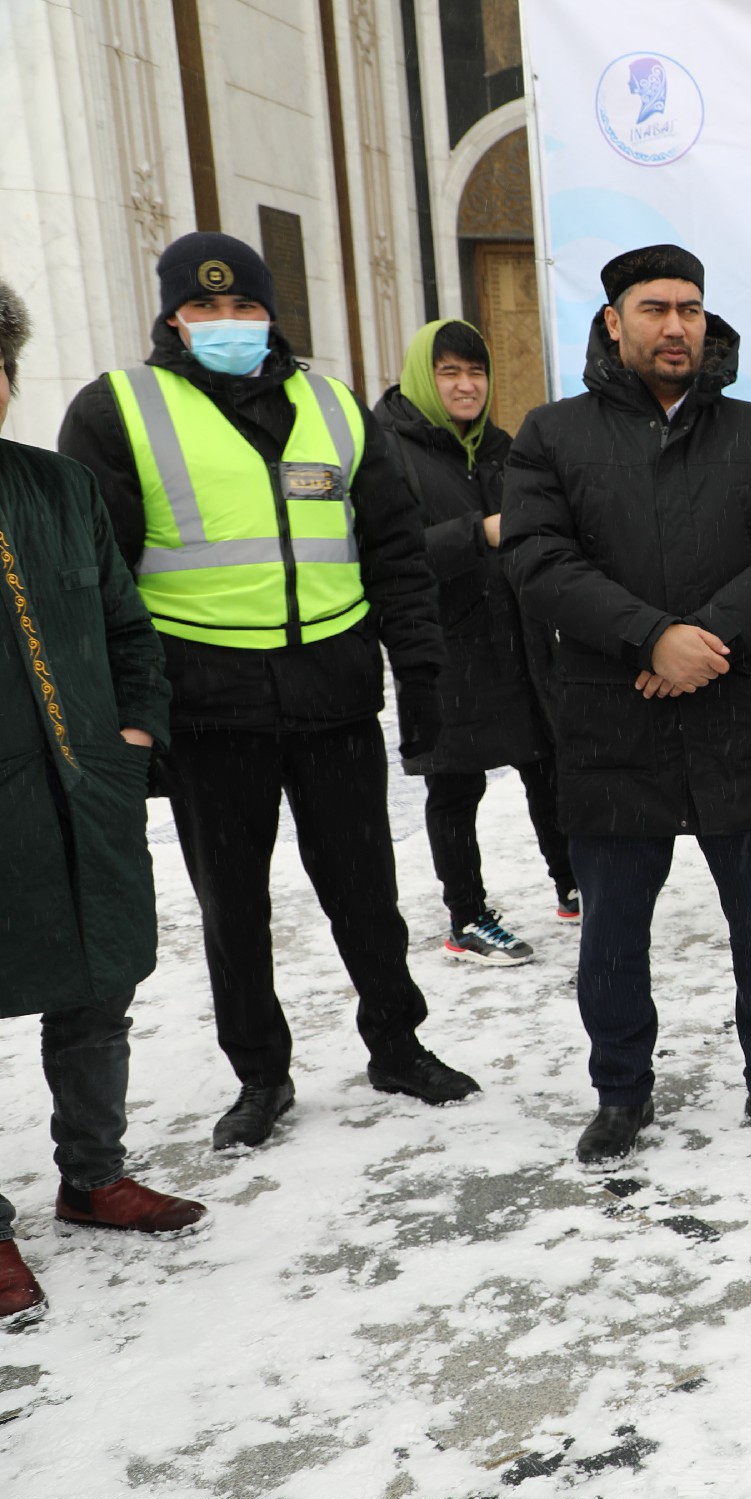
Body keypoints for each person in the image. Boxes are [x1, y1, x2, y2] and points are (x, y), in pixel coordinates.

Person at [56, 232, 475, 1152]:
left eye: (244, 306)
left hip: (333, 696)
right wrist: (124, 717)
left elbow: (396, 555)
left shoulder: (333, 406)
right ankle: (260, 1074)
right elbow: (97, 584)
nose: (227, 322)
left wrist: (421, 678)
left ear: (270, 313)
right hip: (208, 705)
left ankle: (397, 1045)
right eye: (204, 307)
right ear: (172, 317)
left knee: (367, 892)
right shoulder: (118, 409)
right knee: (233, 907)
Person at [502, 244, 751, 1166]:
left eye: (689, 309)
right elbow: (537, 558)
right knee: (613, 929)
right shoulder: (554, 435)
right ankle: (621, 1091)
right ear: (614, 322)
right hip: (613, 716)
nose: (676, 326)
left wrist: (706, 640)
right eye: (654, 309)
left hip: (740, 711)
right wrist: (649, 637)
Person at [0, 279, 209, 1325]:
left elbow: (129, 628)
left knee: (97, 991)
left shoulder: (59, 487)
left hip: (86, 794)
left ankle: (93, 1175)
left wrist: (137, 733)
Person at [377, 318, 577, 965]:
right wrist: (477, 532)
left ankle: (573, 883)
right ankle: (466, 917)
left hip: (518, 639)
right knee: (455, 788)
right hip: (443, 649)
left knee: (548, 766)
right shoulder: (386, 452)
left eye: (476, 372)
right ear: (423, 377)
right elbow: (389, 556)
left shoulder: (501, 446)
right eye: (450, 373)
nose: (467, 385)